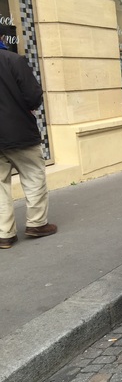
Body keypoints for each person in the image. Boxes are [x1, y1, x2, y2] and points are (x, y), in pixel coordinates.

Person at [0, 26, 57, 249]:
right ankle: (36, 223)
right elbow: (33, 96)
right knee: (33, 176)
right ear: (2, 37)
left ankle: (4, 234)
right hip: (19, 132)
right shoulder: (14, 60)